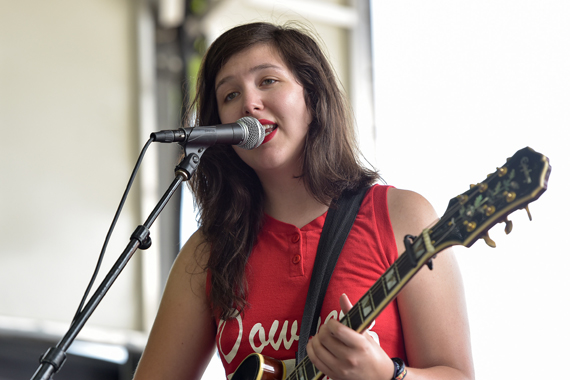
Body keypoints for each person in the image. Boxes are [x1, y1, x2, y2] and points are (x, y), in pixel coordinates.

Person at [133, 22, 474, 380]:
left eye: (268, 81)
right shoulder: (207, 253)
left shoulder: (402, 216)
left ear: (312, 97)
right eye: (229, 95)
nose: (249, 102)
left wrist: (388, 375)